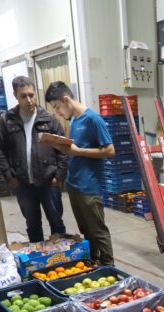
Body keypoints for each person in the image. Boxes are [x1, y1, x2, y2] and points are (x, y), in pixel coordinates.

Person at [43, 81, 115, 266]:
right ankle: (93, 263)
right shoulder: (74, 120)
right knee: (86, 230)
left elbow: (109, 151)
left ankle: (109, 268)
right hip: (74, 184)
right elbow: (74, 150)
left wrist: (78, 151)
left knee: (98, 230)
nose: (57, 112)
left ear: (66, 99)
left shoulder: (93, 119)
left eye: (57, 107)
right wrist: (58, 145)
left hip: (89, 186)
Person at [0, 76, 67, 243]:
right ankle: (39, 260)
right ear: (15, 95)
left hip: (49, 182)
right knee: (33, 224)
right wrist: (9, 176)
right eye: (23, 96)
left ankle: (61, 260)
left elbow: (62, 150)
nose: (29, 100)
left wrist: (60, 176)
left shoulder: (49, 119)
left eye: (32, 95)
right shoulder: (7, 121)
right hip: (23, 184)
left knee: (57, 222)